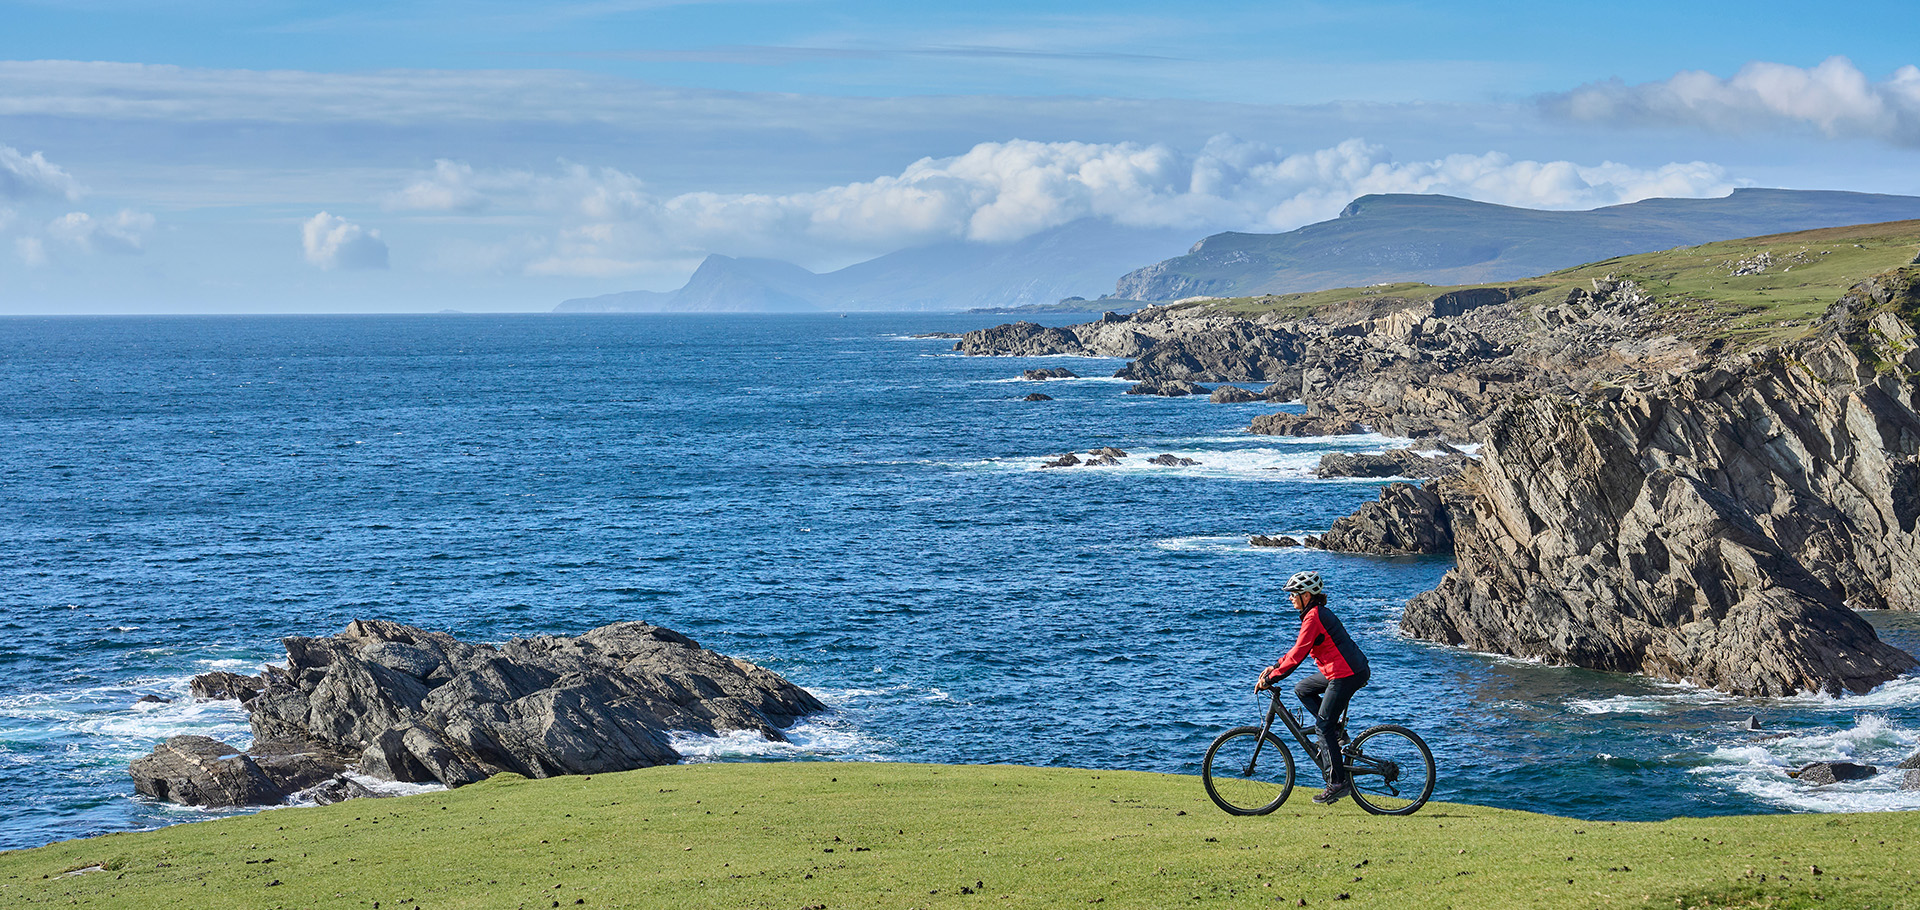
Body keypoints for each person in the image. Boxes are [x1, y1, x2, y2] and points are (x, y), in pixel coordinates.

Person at [1255, 570, 1370, 804]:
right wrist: (1275, 666)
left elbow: (1298, 655)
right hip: (1340, 670)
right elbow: (1298, 648)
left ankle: (1338, 783)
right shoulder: (1313, 615)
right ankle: (1336, 733)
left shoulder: (1314, 617)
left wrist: (1271, 679)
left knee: (1322, 727)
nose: (1290, 598)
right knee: (1303, 689)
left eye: (1293, 594)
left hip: (1346, 674)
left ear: (1306, 595)